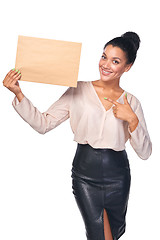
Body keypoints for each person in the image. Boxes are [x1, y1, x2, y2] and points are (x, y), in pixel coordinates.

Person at [3, 31, 152, 240]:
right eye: (103, 57)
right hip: (85, 174)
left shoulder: (132, 102)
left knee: (113, 234)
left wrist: (132, 120)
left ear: (127, 67)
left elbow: (145, 153)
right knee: (99, 235)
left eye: (115, 61)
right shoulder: (78, 90)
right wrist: (19, 93)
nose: (105, 65)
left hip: (118, 174)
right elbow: (43, 124)